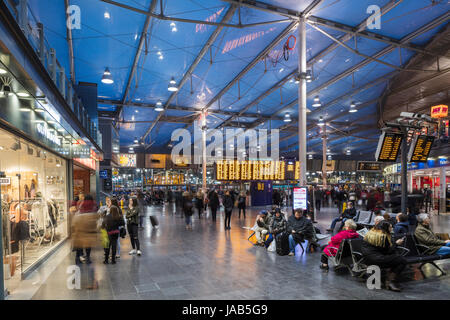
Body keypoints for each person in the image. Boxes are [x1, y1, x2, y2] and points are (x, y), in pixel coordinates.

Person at [361, 221, 407, 292]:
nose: (392, 228)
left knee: (396, 258)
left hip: (366, 259)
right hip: (377, 260)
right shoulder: (382, 236)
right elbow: (388, 251)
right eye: (390, 227)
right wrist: (396, 244)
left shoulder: (371, 232)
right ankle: (390, 281)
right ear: (386, 228)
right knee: (402, 261)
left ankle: (389, 280)